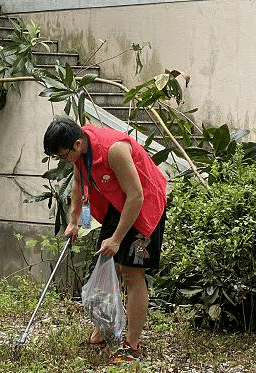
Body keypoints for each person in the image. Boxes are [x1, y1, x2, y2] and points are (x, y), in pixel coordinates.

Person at [43, 116, 167, 364]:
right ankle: (101, 335)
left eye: (63, 156)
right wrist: (74, 221)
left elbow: (136, 196)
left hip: (144, 205)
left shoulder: (114, 150)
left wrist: (117, 239)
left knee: (132, 273)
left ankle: (132, 346)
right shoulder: (80, 150)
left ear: (77, 144)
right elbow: (78, 183)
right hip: (118, 205)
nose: (63, 160)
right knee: (108, 266)